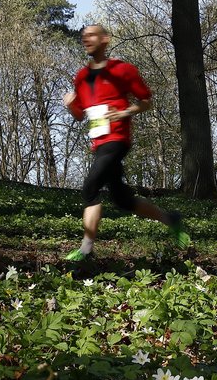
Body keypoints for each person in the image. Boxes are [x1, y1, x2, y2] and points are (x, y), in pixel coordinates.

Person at [62, 24, 189, 263]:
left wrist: (123, 113)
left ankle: (86, 250)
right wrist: (71, 105)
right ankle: (171, 219)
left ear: (105, 40)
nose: (86, 39)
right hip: (99, 142)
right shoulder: (81, 77)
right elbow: (80, 115)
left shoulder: (122, 70)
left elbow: (146, 101)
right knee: (122, 199)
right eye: (83, 36)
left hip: (118, 139)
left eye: (91, 35)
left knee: (90, 188)